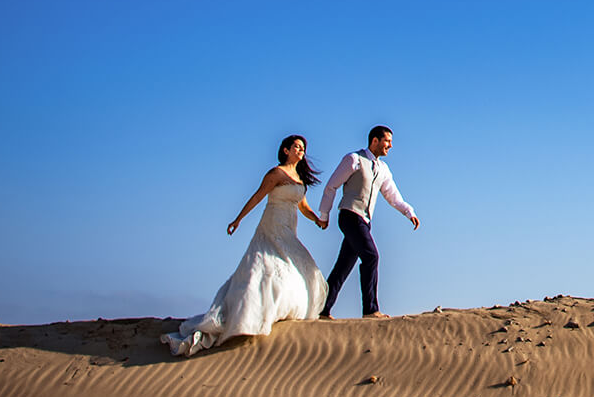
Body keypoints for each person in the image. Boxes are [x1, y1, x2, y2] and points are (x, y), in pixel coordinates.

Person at [163, 135, 329, 356]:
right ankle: (250, 315)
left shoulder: (299, 178)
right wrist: (238, 219)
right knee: (267, 265)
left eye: (303, 148)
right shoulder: (276, 173)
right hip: (273, 224)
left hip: (290, 227)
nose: (301, 151)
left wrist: (316, 219)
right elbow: (258, 196)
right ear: (286, 150)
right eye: (296, 147)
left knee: (301, 265)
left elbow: (303, 206)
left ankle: (278, 309)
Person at [317, 124, 420, 318]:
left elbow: (392, 195)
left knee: (343, 266)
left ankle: (323, 309)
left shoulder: (383, 169)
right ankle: (370, 309)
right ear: (375, 140)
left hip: (364, 221)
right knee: (371, 256)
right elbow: (331, 186)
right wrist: (324, 215)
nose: (390, 146)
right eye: (387, 141)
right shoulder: (354, 159)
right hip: (349, 215)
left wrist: (409, 212)